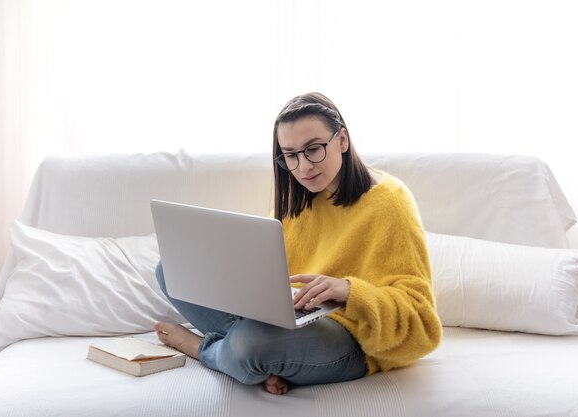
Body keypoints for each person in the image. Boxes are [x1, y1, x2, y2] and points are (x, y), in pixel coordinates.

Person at [154, 92, 442, 395]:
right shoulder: (298, 199)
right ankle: (261, 358)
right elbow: (272, 269)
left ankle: (206, 350)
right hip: (292, 319)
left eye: (313, 149)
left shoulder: (390, 202)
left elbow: (422, 322)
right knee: (172, 269)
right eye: (290, 155)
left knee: (250, 344)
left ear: (342, 140)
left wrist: (348, 292)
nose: (303, 167)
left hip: (352, 338)